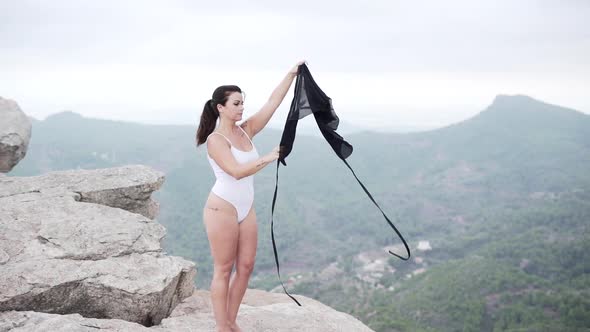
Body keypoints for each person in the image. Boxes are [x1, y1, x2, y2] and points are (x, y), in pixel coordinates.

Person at [195, 61, 304, 332]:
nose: (241, 107)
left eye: (242, 103)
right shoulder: (215, 140)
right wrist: (268, 157)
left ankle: (231, 321)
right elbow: (235, 171)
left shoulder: (246, 130)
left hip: (246, 206)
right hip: (222, 208)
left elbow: (272, 104)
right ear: (220, 107)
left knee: (246, 266)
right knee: (223, 269)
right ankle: (222, 327)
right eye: (235, 103)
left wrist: (291, 74)